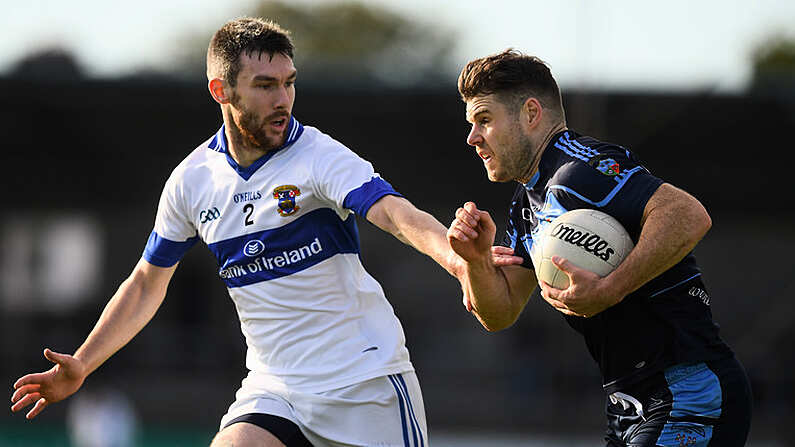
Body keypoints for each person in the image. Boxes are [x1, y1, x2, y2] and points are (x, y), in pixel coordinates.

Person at [11, 17, 512, 447]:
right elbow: (146, 283)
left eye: (289, 82)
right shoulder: (193, 181)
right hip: (275, 389)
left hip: (365, 384)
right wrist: (82, 362)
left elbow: (394, 213)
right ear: (221, 90)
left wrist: (460, 261)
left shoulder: (317, 155)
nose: (283, 99)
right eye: (265, 85)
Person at [447, 49, 753, 446]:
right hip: (629, 406)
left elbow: (688, 213)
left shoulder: (581, 170)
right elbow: (500, 312)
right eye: (471, 124)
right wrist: (475, 261)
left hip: (690, 392)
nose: (472, 138)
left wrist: (611, 288)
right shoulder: (526, 204)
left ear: (531, 113)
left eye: (484, 120)